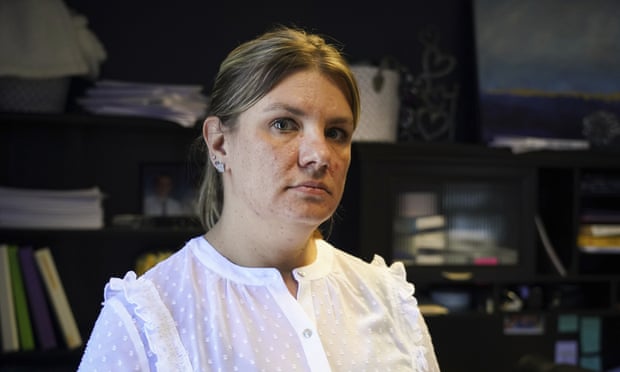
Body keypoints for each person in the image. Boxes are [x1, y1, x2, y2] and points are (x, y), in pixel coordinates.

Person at [78, 25, 440, 371]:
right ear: (219, 142)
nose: (320, 155)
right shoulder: (148, 317)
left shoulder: (389, 302)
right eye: (284, 124)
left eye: (336, 132)